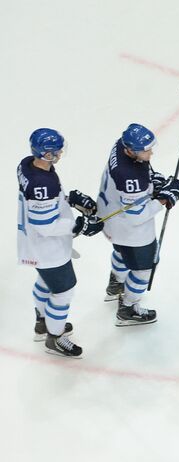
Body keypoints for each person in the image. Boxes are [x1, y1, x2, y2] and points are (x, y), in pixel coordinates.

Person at [17, 129, 99, 358]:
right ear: (45, 154)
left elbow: (43, 203)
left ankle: (43, 322)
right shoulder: (41, 184)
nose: (60, 154)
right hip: (48, 250)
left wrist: (67, 199)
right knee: (64, 290)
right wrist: (78, 227)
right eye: (55, 152)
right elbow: (45, 225)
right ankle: (55, 337)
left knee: (45, 281)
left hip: (35, 245)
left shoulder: (26, 165)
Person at [98, 123, 179, 326]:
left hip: (109, 217)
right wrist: (165, 198)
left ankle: (116, 284)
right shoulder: (129, 178)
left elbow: (143, 170)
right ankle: (128, 308)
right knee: (145, 266)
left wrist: (154, 181)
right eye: (146, 150)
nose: (151, 152)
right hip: (130, 231)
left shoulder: (121, 145)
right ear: (131, 150)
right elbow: (137, 216)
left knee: (120, 252)